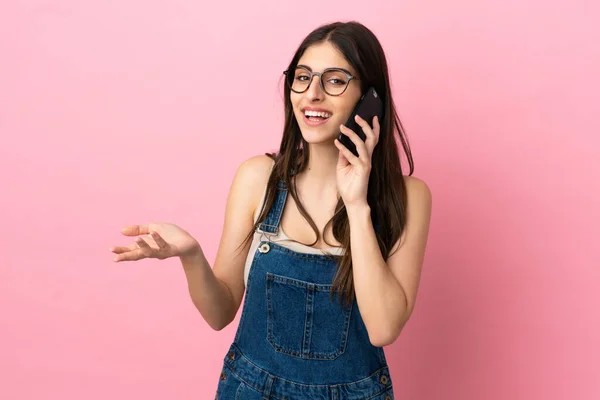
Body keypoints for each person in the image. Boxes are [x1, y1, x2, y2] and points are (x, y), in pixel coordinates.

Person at [110, 21, 432, 400]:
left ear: (369, 96)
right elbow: (220, 313)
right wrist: (191, 255)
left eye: (334, 80)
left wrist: (357, 204)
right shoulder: (257, 178)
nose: (312, 94)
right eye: (302, 77)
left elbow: (383, 329)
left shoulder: (407, 197)